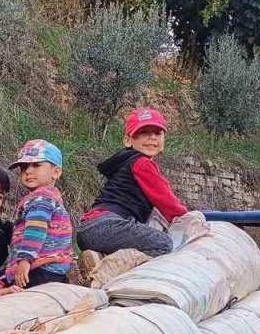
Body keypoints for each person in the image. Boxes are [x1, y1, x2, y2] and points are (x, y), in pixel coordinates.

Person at [76, 107, 189, 263]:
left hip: (88, 228)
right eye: (144, 132)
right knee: (164, 244)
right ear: (128, 140)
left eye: (158, 133)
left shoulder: (125, 162)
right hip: (108, 226)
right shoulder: (142, 163)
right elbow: (167, 202)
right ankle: (108, 269)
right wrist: (189, 218)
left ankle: (98, 257)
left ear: (164, 139)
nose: (152, 137)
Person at [0, 139, 74, 290]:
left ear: (56, 172)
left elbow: (36, 230)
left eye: (36, 165)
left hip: (38, 268)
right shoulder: (53, 197)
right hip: (54, 270)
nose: (28, 171)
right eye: (24, 167)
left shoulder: (40, 198)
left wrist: (25, 259)